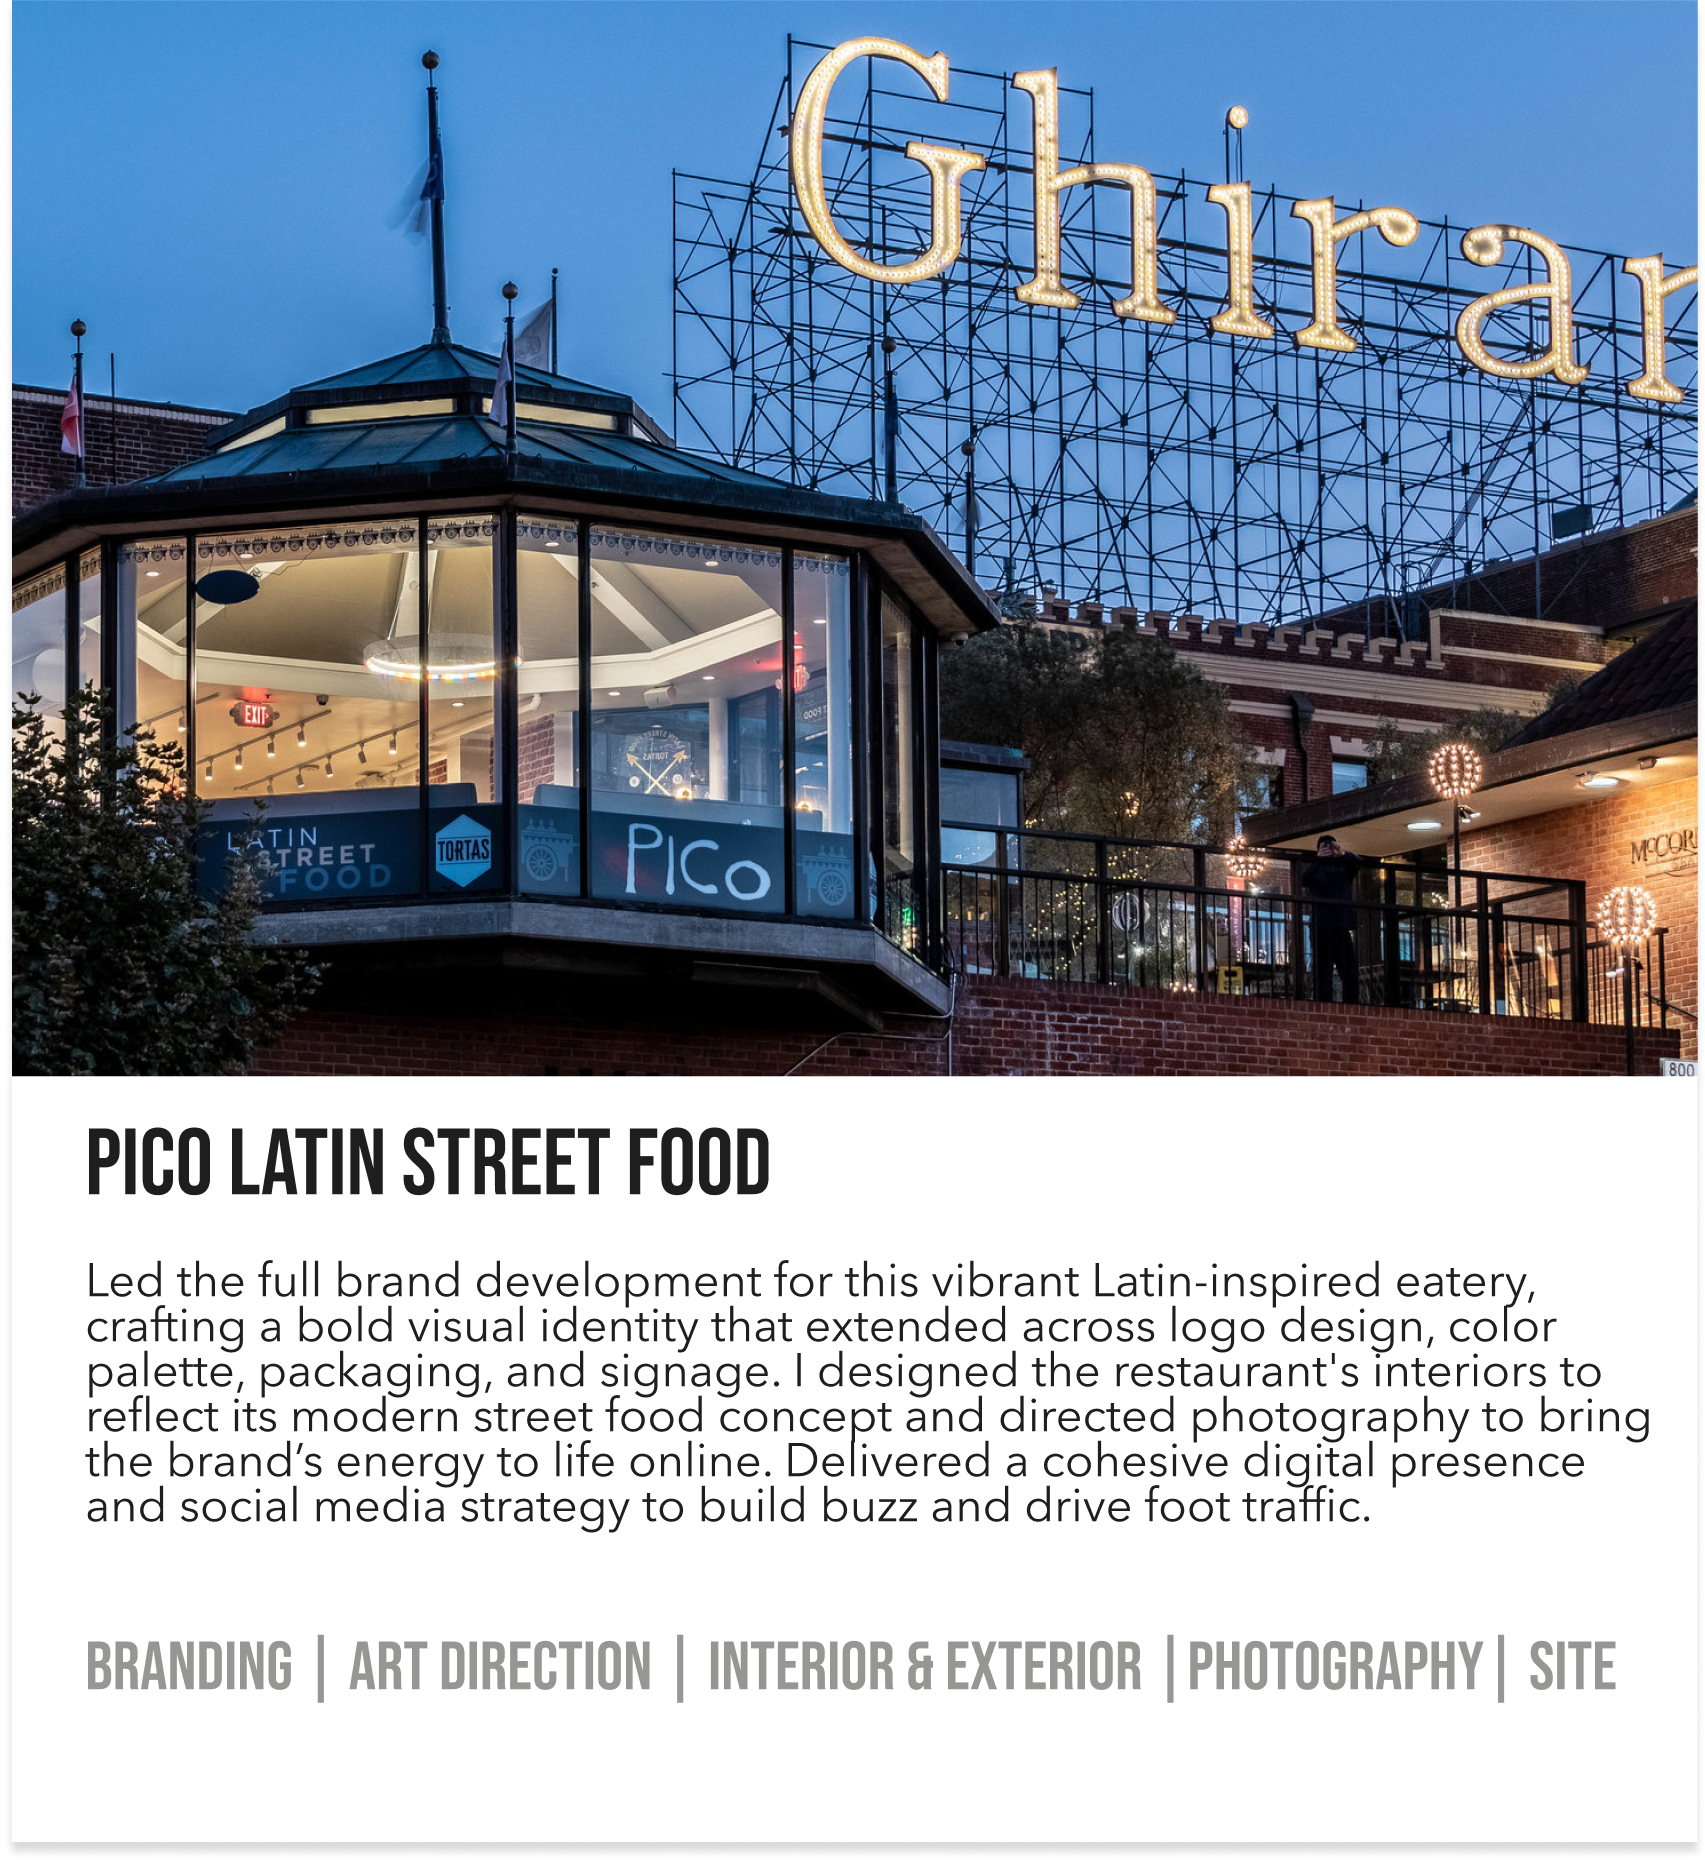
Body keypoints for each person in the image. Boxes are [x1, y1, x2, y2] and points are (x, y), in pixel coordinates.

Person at [1301, 834, 1367, 1004]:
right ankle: (1324, 1004)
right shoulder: (1315, 868)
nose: (1329, 849)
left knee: (1350, 971)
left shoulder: (1344, 867)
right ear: (1318, 850)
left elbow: (1358, 863)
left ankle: (1352, 1005)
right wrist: (1318, 860)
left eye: (1331, 846)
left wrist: (1343, 853)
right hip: (1321, 926)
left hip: (1341, 925)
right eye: (1325, 847)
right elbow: (1304, 880)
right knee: (1323, 971)